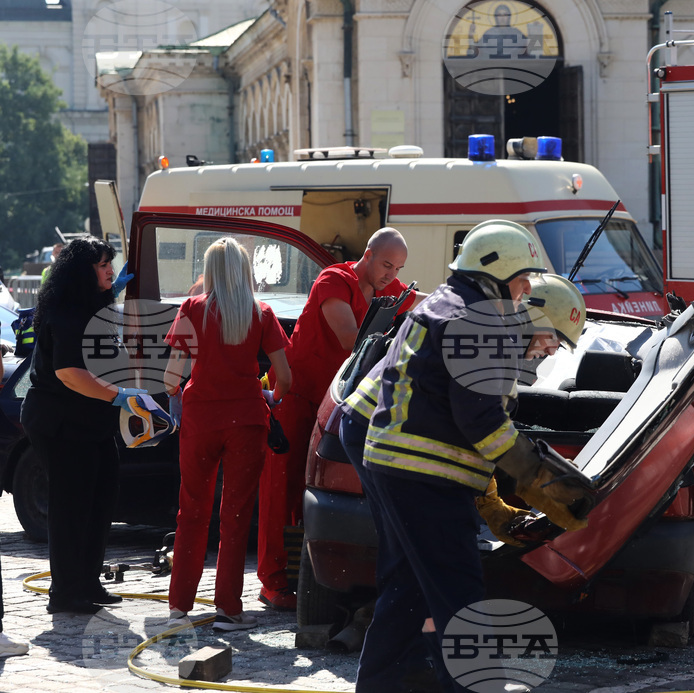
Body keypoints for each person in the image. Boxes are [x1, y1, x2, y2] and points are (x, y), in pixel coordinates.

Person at [355, 222, 594, 692]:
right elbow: (480, 421)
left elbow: (456, 410)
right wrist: (537, 476)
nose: (527, 292)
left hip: (397, 468)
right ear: (498, 273)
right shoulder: (479, 321)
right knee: (460, 596)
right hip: (426, 480)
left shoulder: (451, 306)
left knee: (406, 592)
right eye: (524, 281)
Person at [257, 227, 419, 612]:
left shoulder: (386, 286)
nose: (389, 273)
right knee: (279, 492)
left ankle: (303, 575)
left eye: (397, 268)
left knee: (312, 491)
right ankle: (270, 581)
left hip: (332, 404)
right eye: (385, 264)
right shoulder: (335, 279)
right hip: (295, 397)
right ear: (367, 253)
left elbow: (421, 302)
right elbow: (352, 339)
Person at [164, 237, 291, 631]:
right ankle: (228, 610)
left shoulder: (191, 309)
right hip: (248, 421)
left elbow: (170, 379)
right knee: (235, 516)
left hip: (201, 419)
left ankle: (179, 605)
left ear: (211, 270)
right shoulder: (262, 312)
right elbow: (284, 376)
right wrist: (268, 392)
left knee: (192, 511)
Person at [21, 237, 141, 614]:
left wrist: (113, 293)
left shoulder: (92, 306)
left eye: (110, 263)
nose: (110, 270)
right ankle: (66, 592)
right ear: (81, 272)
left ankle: (88, 581)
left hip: (89, 422)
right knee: (71, 505)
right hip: (61, 421)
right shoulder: (68, 313)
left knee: (101, 496)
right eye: (103, 265)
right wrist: (118, 397)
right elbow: (70, 373)